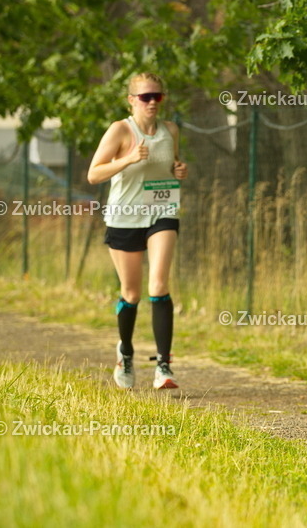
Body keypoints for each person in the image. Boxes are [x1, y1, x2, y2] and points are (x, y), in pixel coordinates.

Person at [88, 73, 187, 390]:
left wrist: (179, 169)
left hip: (162, 212)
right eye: (146, 97)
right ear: (132, 100)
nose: (153, 102)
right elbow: (94, 174)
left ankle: (163, 366)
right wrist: (128, 158)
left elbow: (170, 165)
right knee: (131, 293)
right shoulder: (120, 130)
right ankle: (126, 353)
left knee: (158, 285)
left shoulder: (170, 130)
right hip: (124, 216)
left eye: (158, 96)